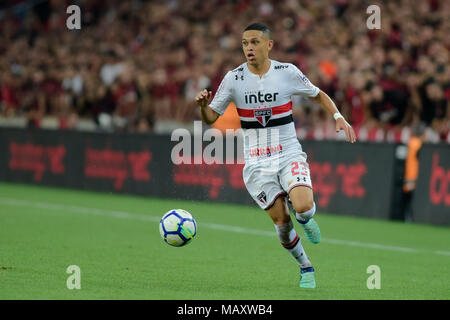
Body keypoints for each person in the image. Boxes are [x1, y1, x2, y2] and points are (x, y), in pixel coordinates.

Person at [195, 23, 356, 288]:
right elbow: (212, 117)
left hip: (287, 152)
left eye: (255, 42)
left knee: (303, 207)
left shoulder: (287, 72)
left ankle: (305, 218)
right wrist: (203, 107)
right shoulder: (233, 78)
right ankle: (306, 267)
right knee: (282, 223)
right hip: (257, 162)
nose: (249, 47)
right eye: (245, 43)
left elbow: (317, 94)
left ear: (269, 45)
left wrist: (338, 116)